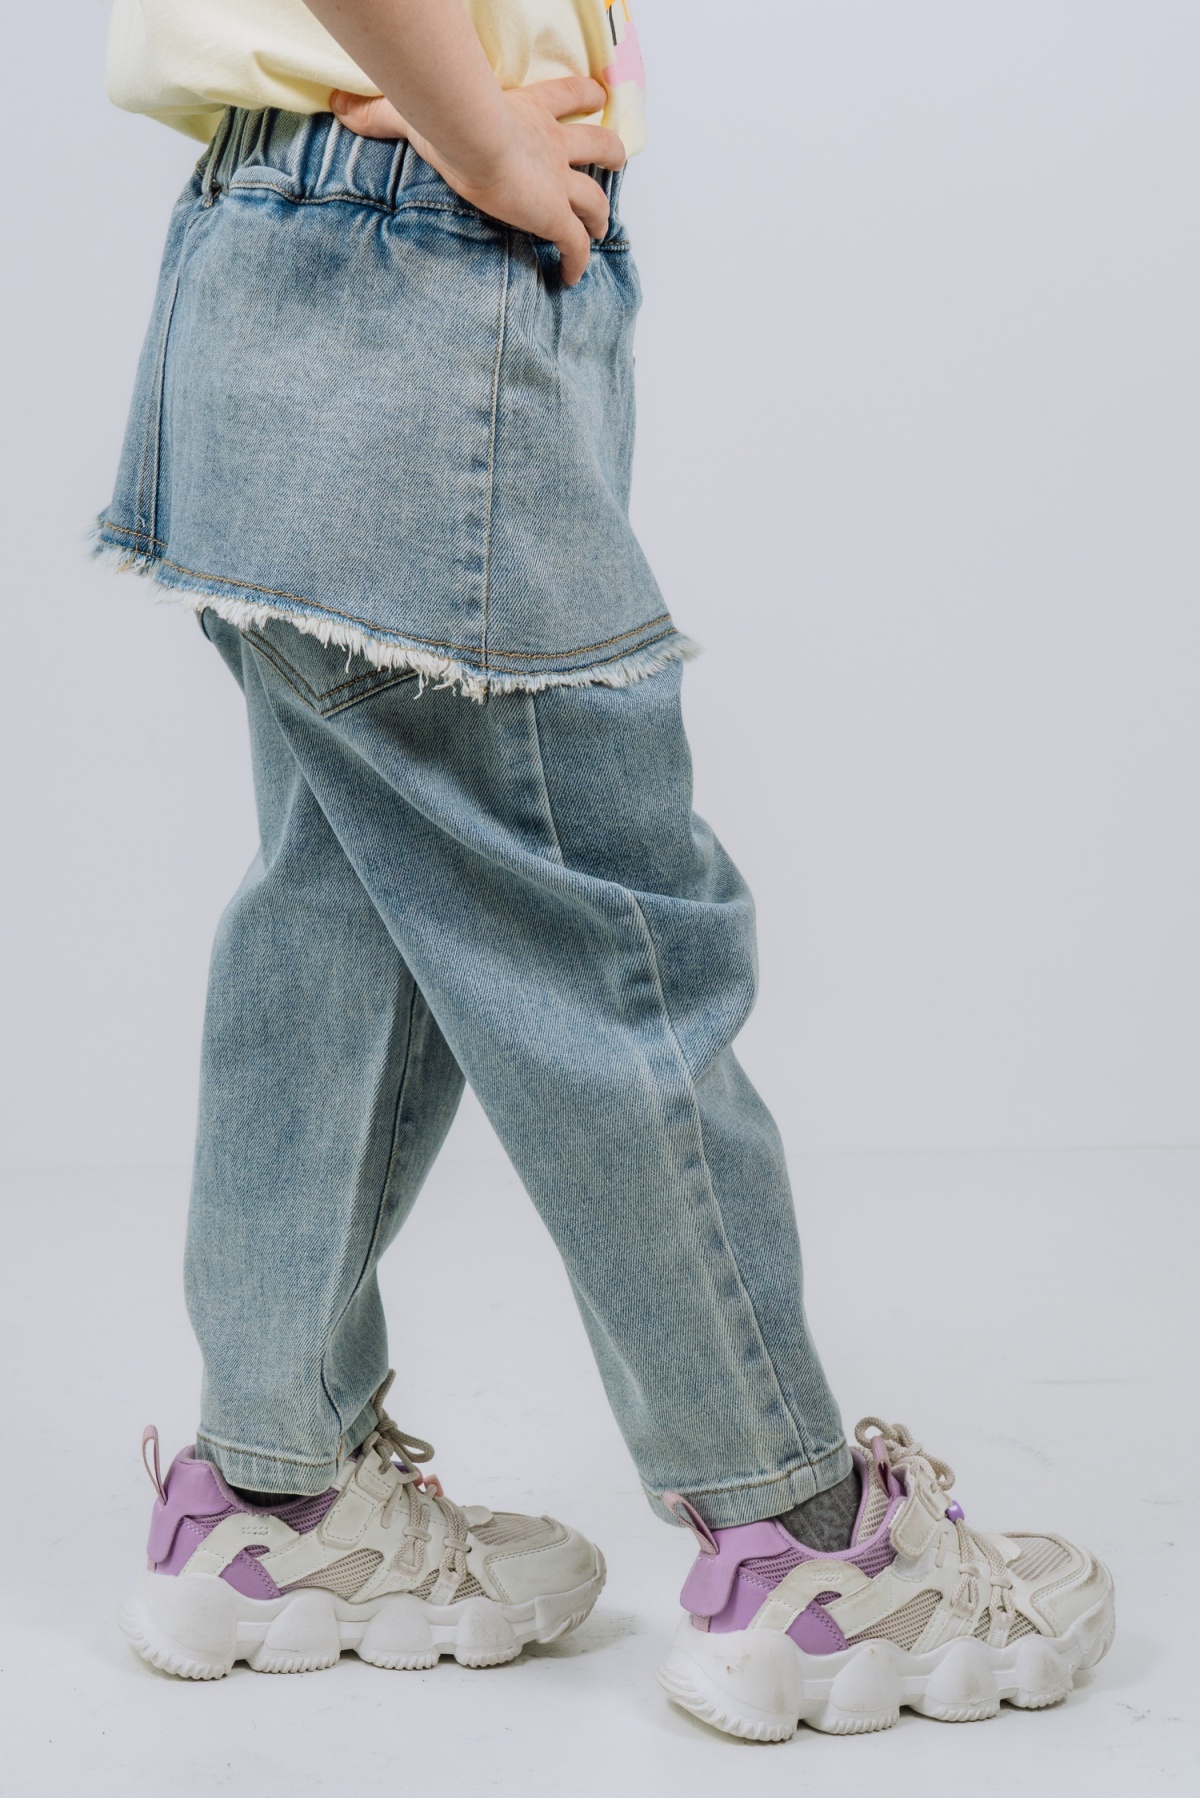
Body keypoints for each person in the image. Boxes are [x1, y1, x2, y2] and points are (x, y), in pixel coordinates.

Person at [100, 0, 1114, 1737]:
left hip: (277, 253)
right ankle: (805, 1548)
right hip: (407, 251)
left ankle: (273, 1499)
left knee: (346, 910)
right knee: (603, 921)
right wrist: (486, 136)